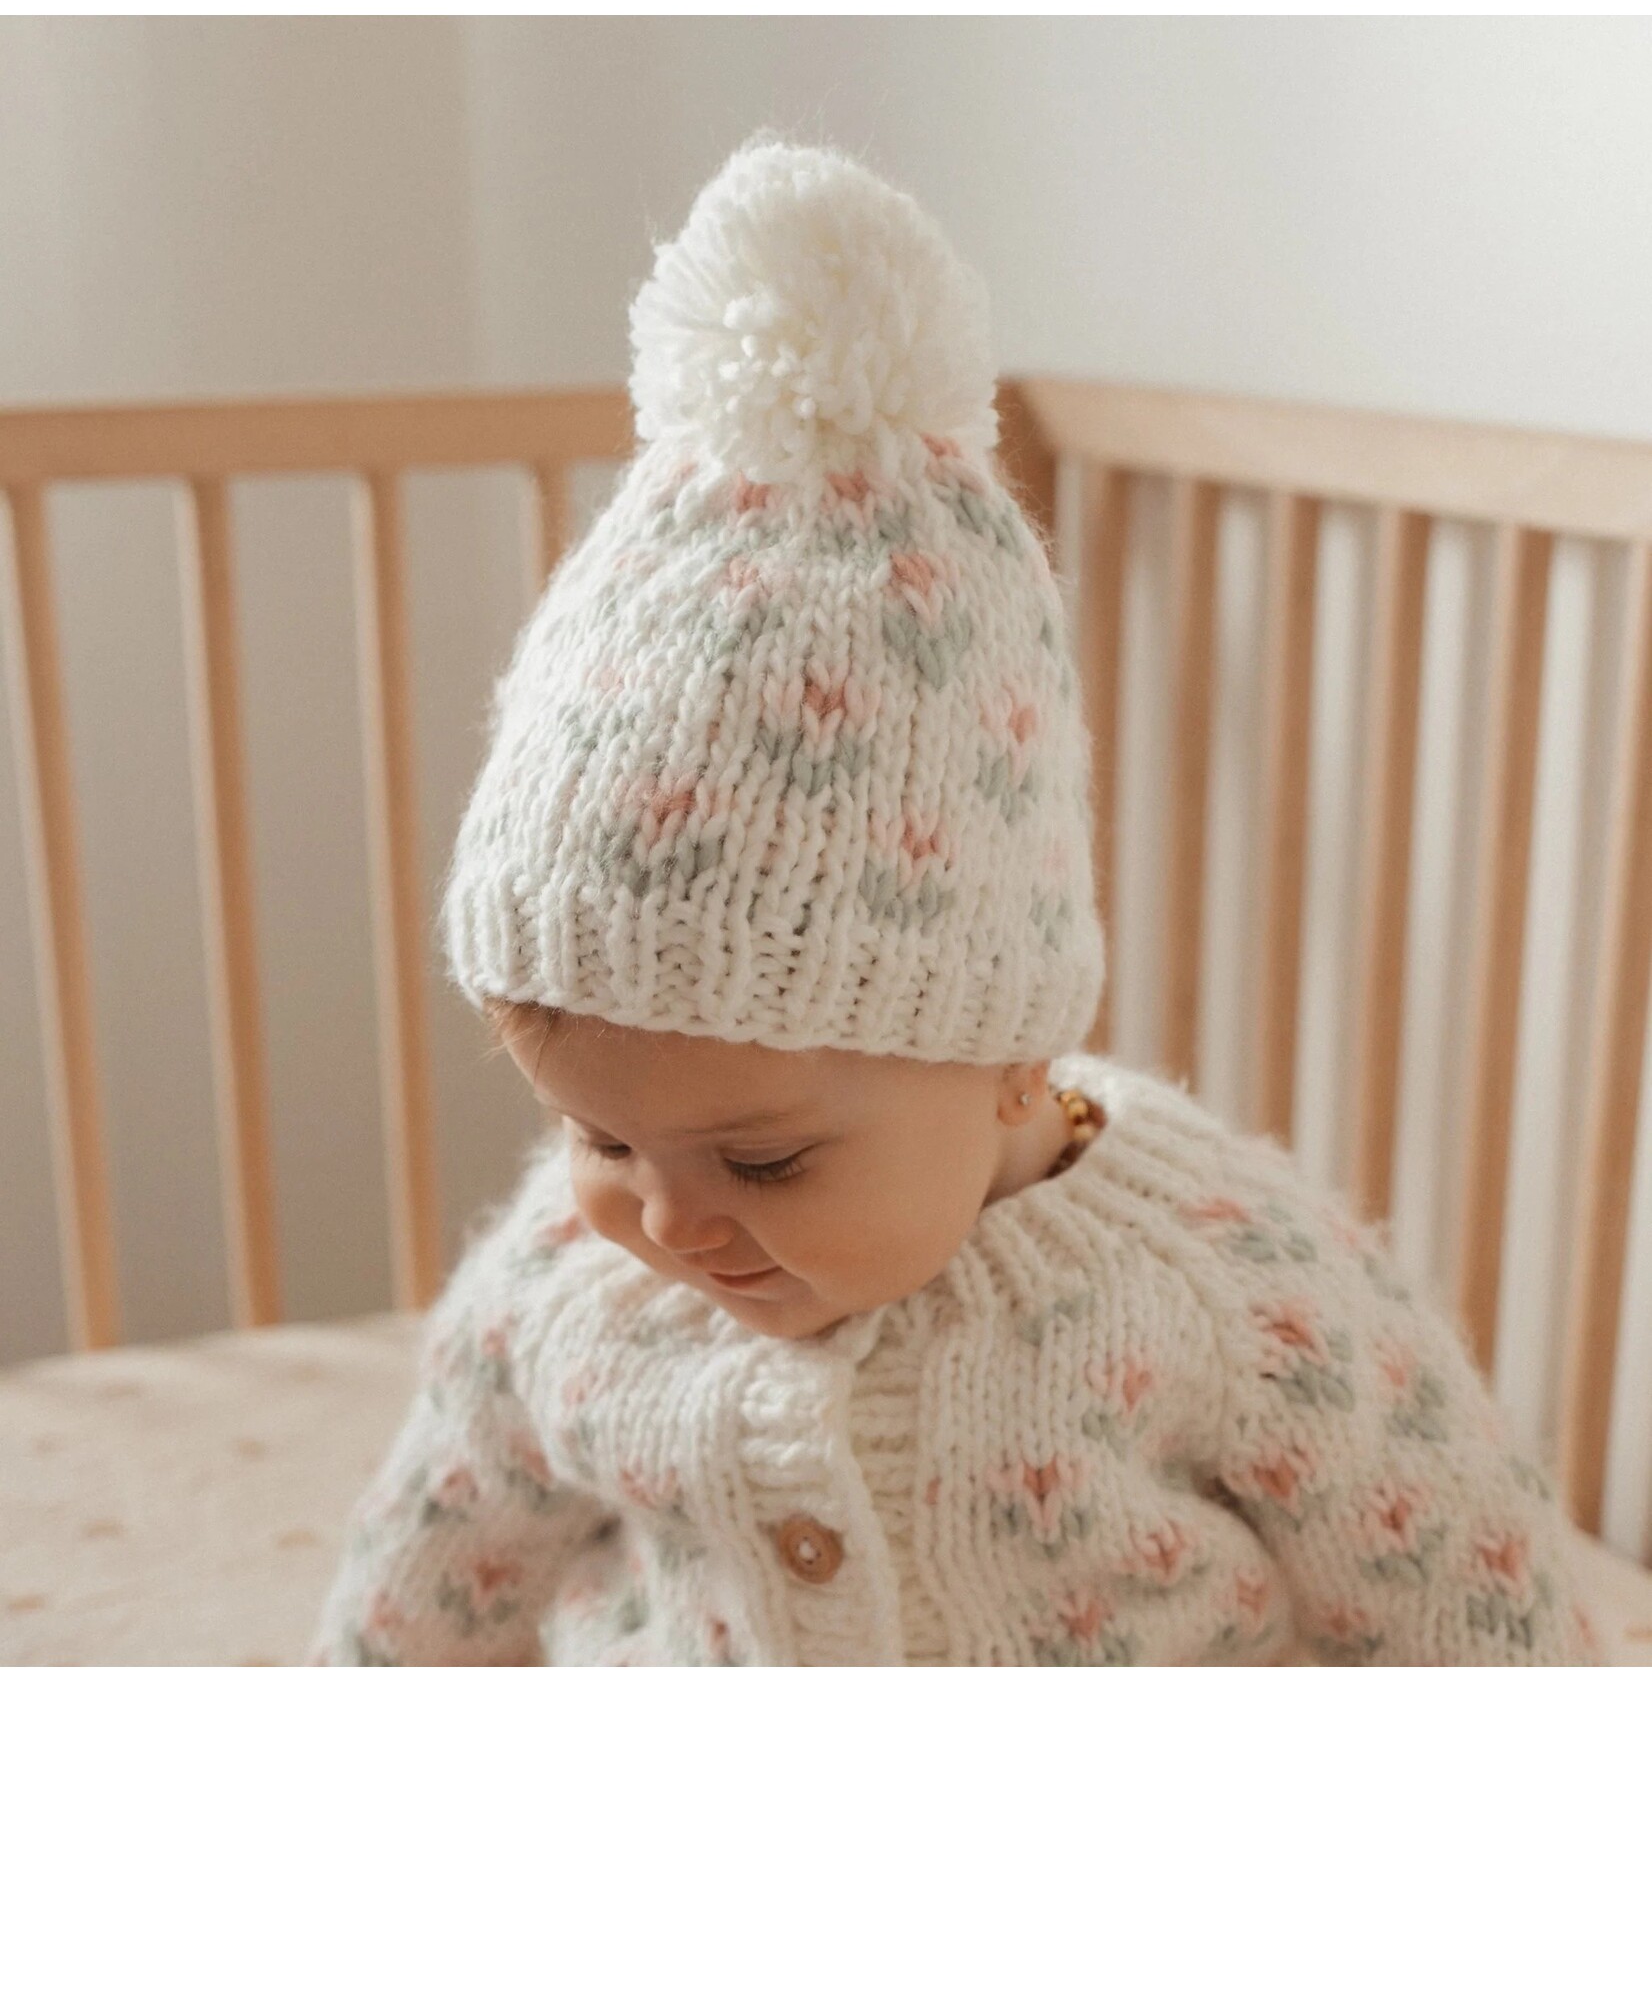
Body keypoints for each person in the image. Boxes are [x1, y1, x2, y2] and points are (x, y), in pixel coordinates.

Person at [311, 135, 1597, 1666]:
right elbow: (430, 1560)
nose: (663, 1219)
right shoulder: (560, 1285)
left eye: (764, 1159)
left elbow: (1460, 1567)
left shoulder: (1219, 1272)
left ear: (1009, 1061)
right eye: (597, 1135)